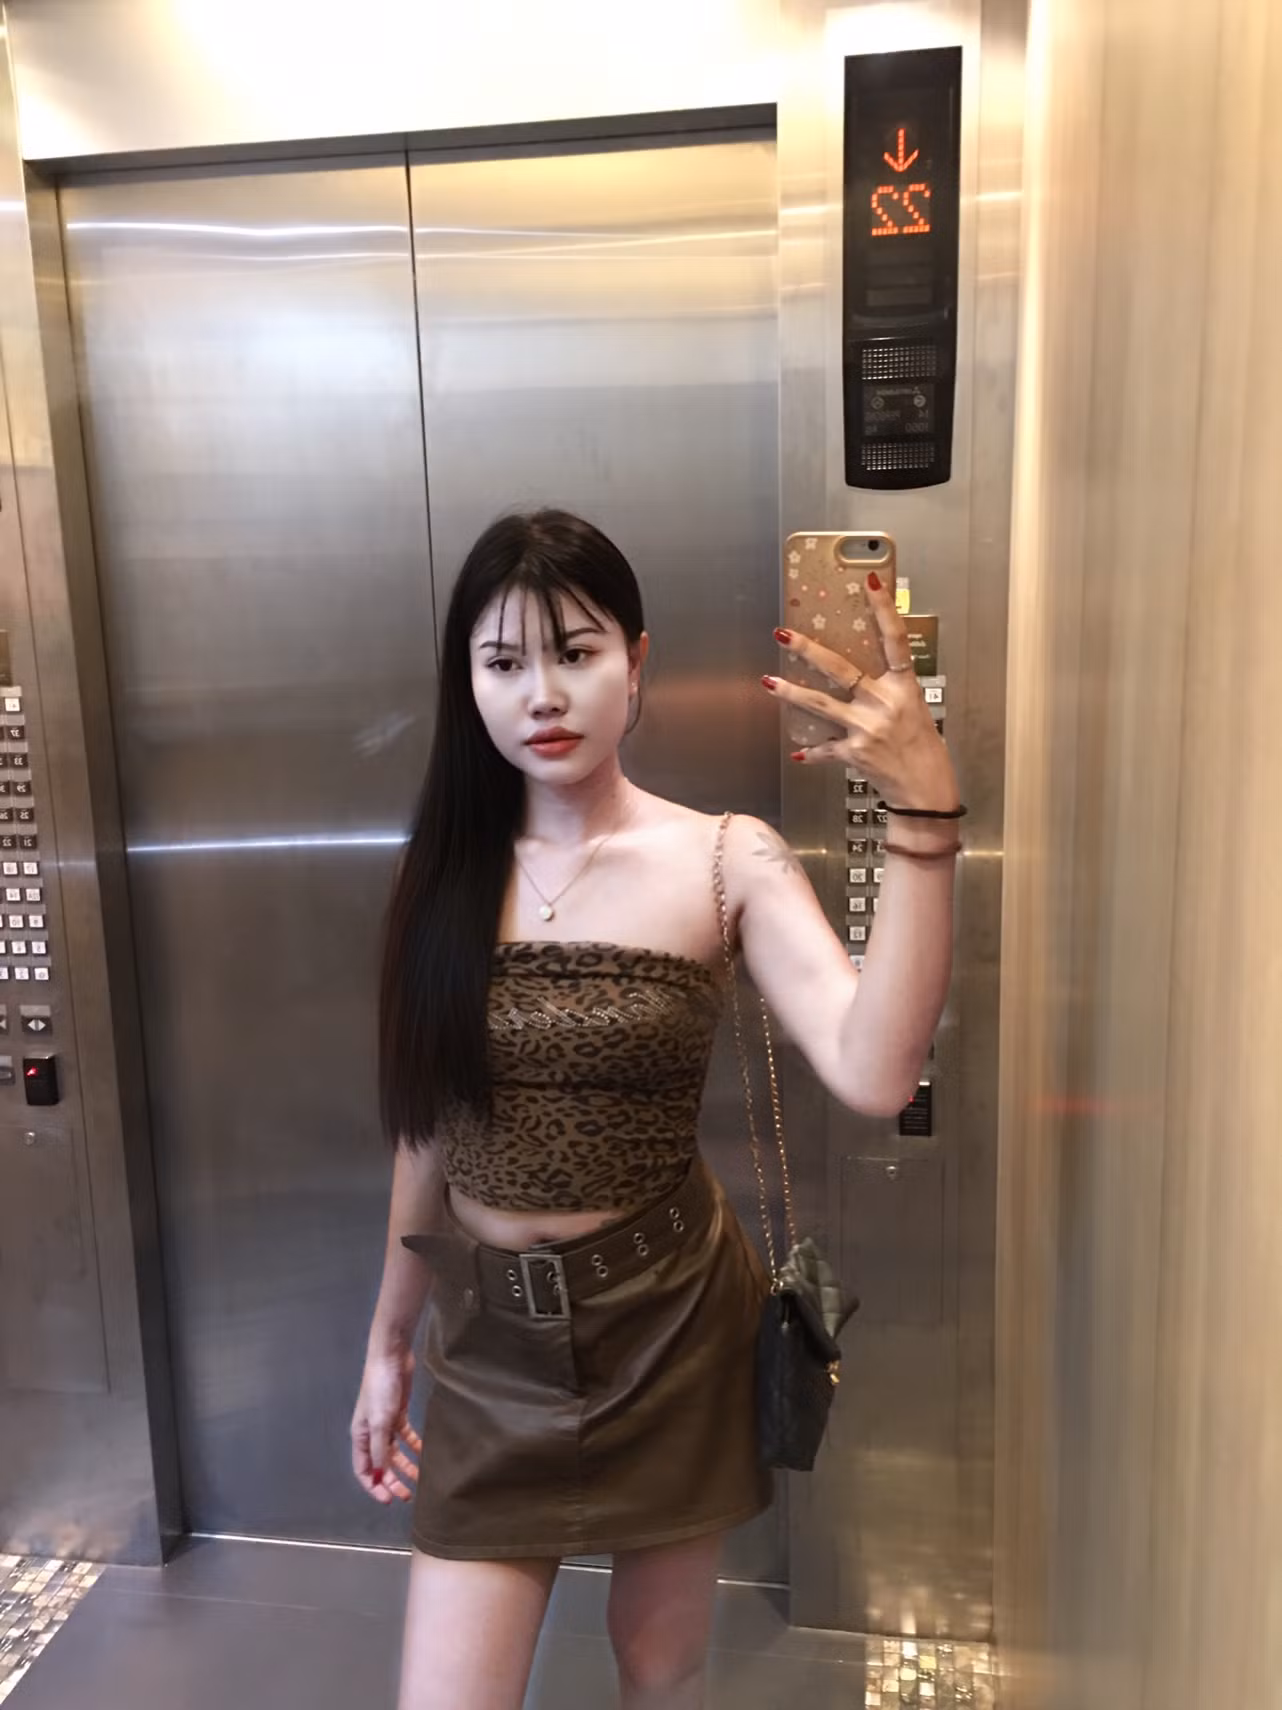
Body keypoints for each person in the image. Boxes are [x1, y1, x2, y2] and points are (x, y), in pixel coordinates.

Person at [350, 509, 961, 1710]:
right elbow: (427, 1128)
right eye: (503, 662)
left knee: (660, 1671)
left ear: (635, 661)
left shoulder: (725, 859)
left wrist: (923, 820)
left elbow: (875, 1072)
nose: (542, 694)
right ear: (467, 682)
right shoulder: (442, 874)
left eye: (575, 652)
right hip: (488, 1345)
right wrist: (385, 1343)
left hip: (670, 1322)